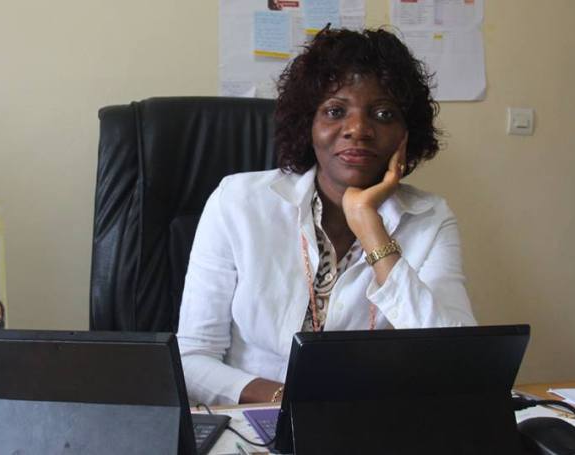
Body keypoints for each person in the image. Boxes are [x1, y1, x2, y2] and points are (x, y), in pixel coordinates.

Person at [176, 27, 477, 406]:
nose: (358, 130)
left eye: (383, 114)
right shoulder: (238, 202)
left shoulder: (430, 219)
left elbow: (457, 364)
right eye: (335, 111)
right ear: (309, 124)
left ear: (406, 134)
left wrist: (371, 227)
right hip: (254, 421)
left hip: (372, 421)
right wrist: (290, 400)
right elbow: (192, 359)